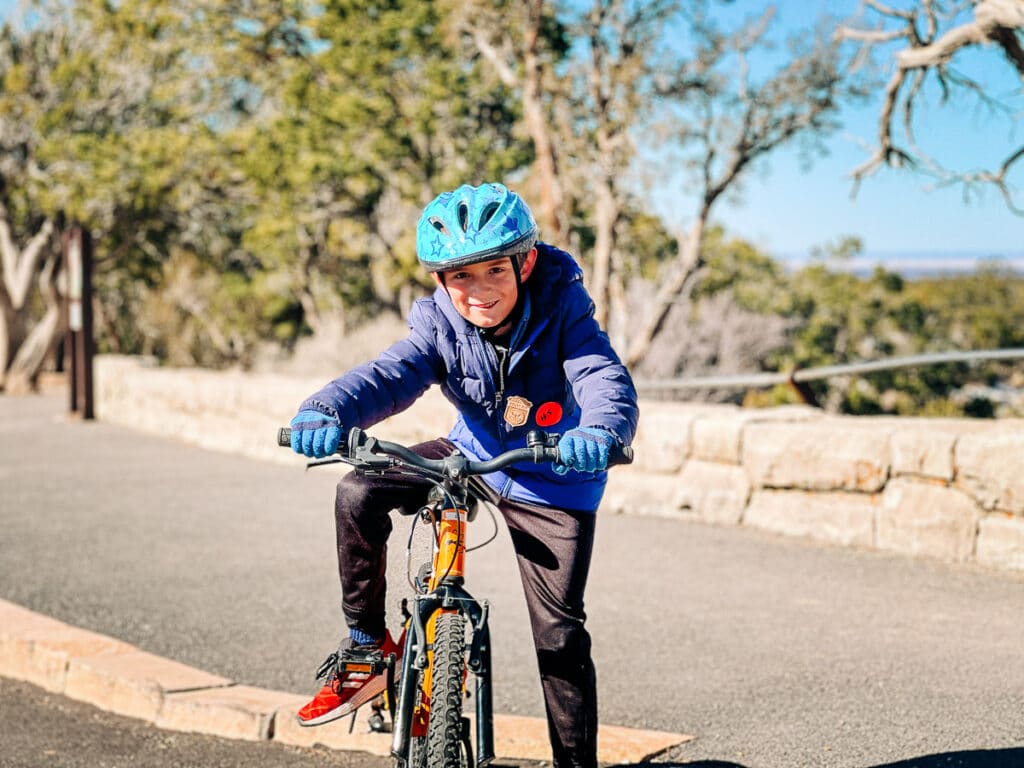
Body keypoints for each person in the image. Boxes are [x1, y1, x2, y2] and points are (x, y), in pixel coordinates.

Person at [288, 181, 639, 768]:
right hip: (470, 452)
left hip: (552, 468)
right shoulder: (437, 322)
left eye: (494, 271)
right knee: (359, 490)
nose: (477, 292)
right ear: (440, 281)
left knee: (559, 635)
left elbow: (601, 374)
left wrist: (601, 432)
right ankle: (367, 650)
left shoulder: (563, 306)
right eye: (460, 277)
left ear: (524, 263)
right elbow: (391, 374)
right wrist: (328, 408)